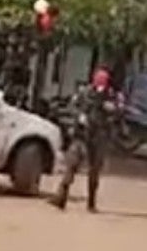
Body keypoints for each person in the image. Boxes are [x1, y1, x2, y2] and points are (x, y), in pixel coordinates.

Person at [48, 66, 121, 213]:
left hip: (99, 136)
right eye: (99, 81)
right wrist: (80, 116)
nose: (100, 85)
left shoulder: (111, 96)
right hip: (82, 134)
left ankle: (91, 202)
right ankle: (61, 197)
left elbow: (118, 112)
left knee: (94, 170)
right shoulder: (84, 92)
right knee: (72, 164)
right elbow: (73, 106)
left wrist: (111, 109)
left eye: (103, 82)